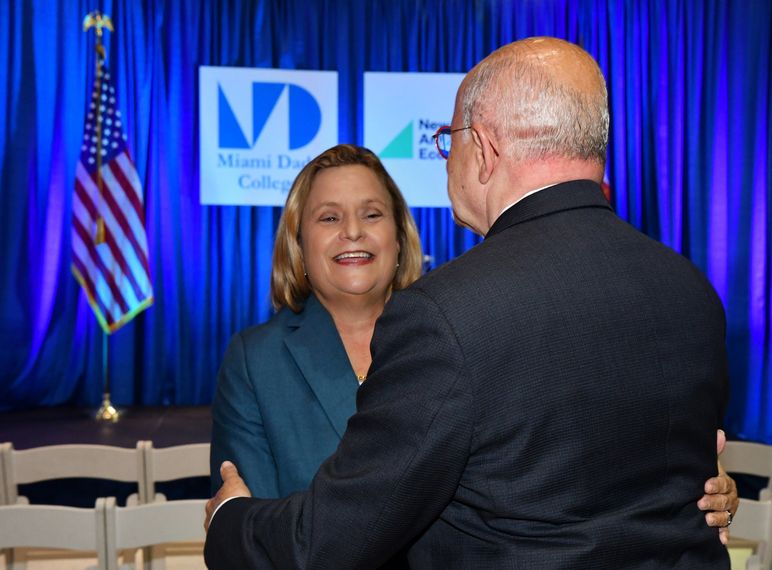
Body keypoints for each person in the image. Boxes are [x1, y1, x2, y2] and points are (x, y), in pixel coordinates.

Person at [205, 37, 736, 568]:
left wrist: (229, 519)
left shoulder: (448, 316)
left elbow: (327, 540)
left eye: (448, 140)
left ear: (481, 148)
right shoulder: (692, 290)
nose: (445, 158)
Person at [209, 144, 423, 499]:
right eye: (329, 218)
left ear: (399, 239)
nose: (353, 231)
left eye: (372, 214)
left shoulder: (447, 341)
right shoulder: (256, 361)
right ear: (299, 245)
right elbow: (252, 531)